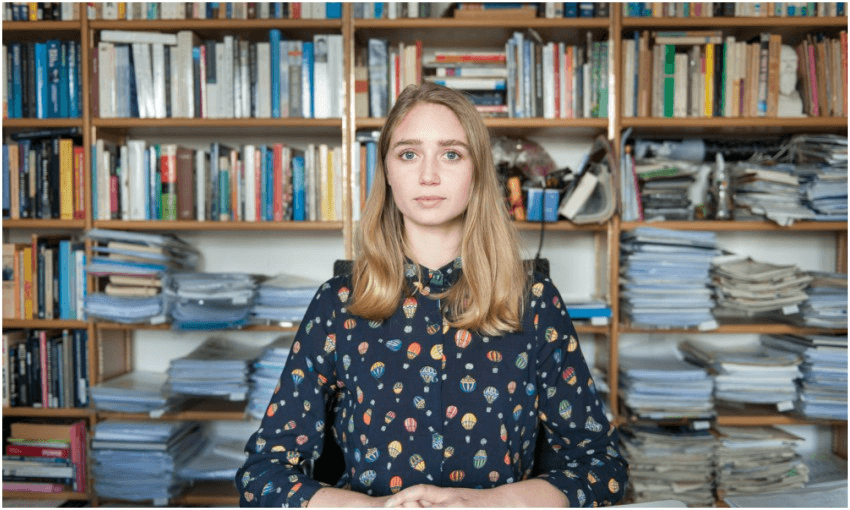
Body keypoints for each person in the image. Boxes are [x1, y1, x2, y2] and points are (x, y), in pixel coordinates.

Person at [236, 83, 628, 507]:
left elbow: (600, 469)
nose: (428, 175)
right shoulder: (339, 303)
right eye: (408, 153)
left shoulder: (533, 301)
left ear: (477, 169)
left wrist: (485, 503)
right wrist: (370, 508)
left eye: (451, 154)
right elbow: (263, 475)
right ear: (386, 169)